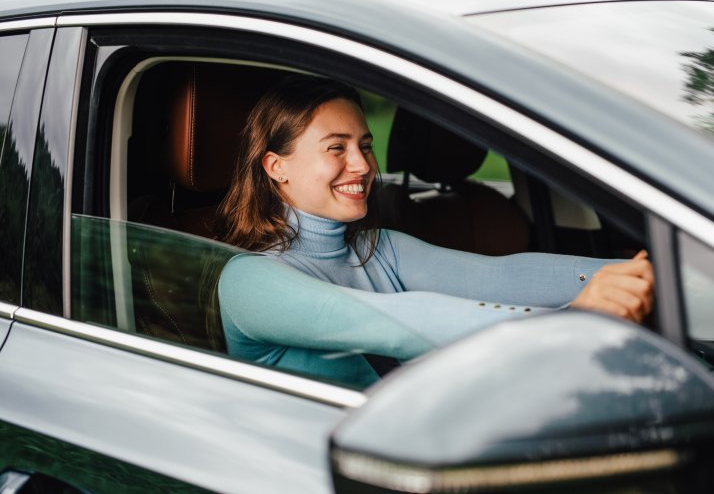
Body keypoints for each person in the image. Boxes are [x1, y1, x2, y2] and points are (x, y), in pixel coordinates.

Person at [214, 75, 654, 388]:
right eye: (337, 148)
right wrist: (571, 323)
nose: (364, 165)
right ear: (276, 167)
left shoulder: (376, 248)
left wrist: (642, 276)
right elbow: (402, 323)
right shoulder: (249, 280)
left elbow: (498, 277)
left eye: (365, 146)